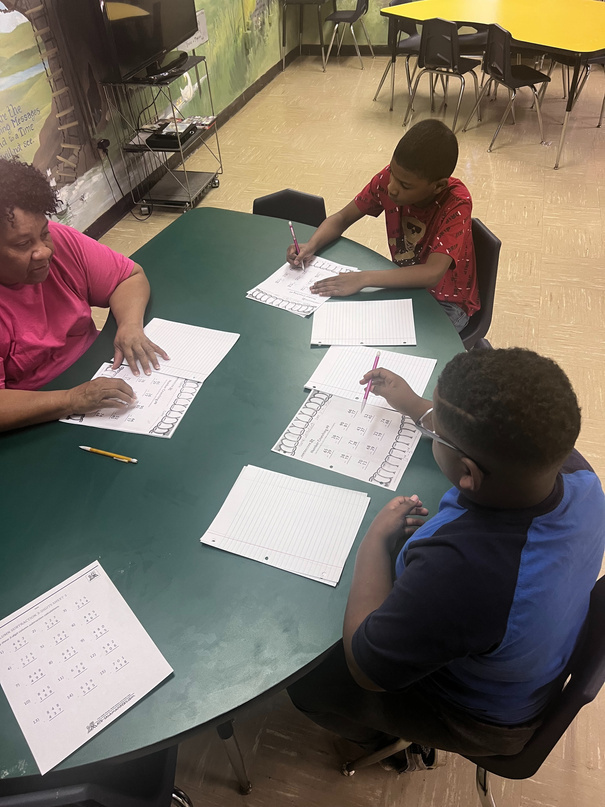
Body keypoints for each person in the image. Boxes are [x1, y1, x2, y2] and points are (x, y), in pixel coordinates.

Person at [288, 348, 605, 770]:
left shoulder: (464, 573)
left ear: (467, 473)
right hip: (527, 667)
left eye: (438, 433)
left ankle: (373, 742)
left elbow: (366, 666)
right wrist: (414, 404)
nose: (433, 427)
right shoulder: (577, 474)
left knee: (309, 683)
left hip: (482, 718)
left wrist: (375, 540)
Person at [0, 157, 169, 433]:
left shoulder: (60, 241)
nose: (43, 251)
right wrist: (71, 399)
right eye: (22, 244)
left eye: (43, 234)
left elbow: (129, 277)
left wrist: (129, 325)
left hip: (94, 371)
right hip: (34, 416)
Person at [286, 120, 479, 333]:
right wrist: (311, 246)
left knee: (380, 339)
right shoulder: (389, 180)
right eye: (393, 174)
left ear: (438, 186)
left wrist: (364, 278)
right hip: (403, 284)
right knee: (348, 323)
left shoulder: (456, 203)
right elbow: (341, 218)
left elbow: (432, 273)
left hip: (446, 304)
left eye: (405, 185)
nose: (392, 188)